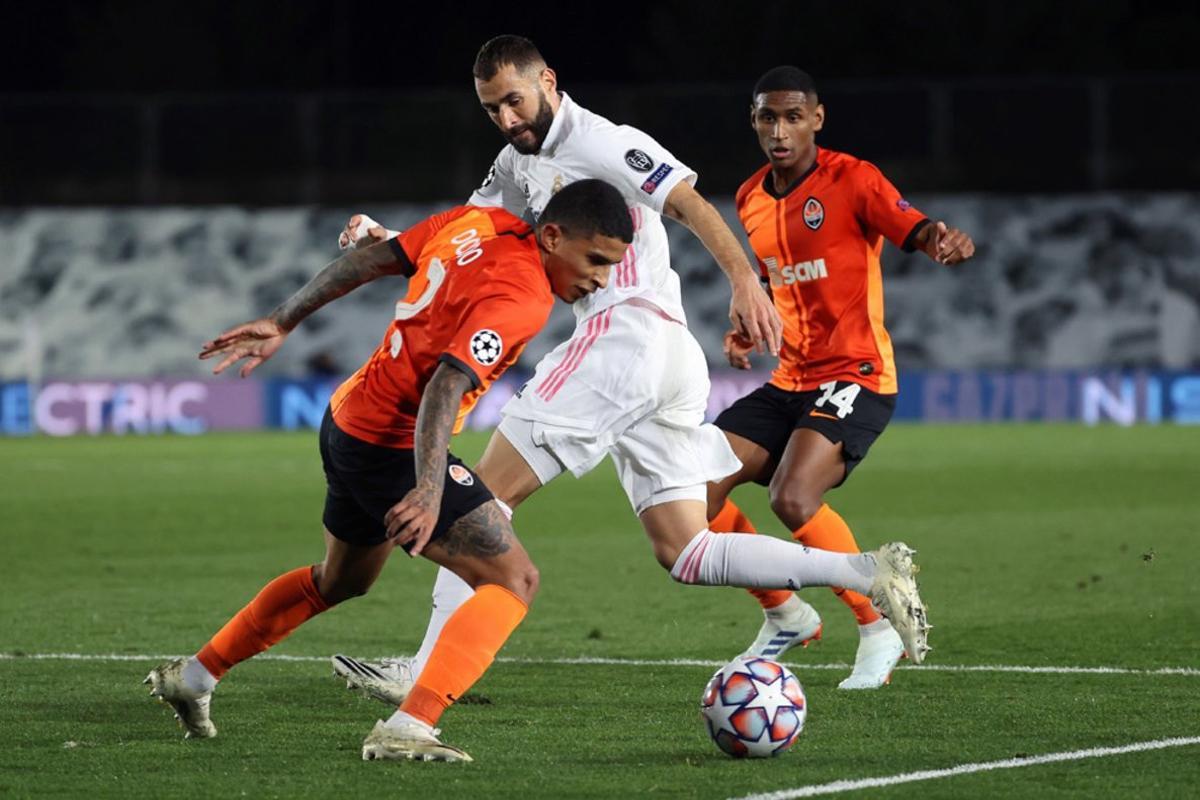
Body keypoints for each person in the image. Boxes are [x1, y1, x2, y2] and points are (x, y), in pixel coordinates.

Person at [331, 37, 929, 707]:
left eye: (515, 100)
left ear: (548, 81)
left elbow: (691, 202)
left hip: (624, 337)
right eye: (491, 107)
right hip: (661, 356)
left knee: (480, 502)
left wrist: (744, 283)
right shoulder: (514, 161)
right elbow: (469, 236)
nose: (506, 118)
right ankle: (864, 572)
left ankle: (423, 673)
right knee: (684, 548)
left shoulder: (604, 143)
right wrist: (391, 243)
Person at [143, 179, 633, 763]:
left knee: (342, 580)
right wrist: (428, 489)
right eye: (596, 260)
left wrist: (283, 319)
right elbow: (445, 384)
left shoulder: (475, 224)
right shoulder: (524, 295)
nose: (600, 278)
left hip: (348, 418)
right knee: (512, 580)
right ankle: (408, 727)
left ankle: (196, 675)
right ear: (553, 235)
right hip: (393, 446)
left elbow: (373, 258)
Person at [707, 66, 975, 689]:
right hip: (790, 378)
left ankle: (876, 625)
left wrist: (942, 241)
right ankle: (786, 614)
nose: (780, 130)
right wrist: (749, 330)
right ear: (753, 121)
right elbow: (775, 281)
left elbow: (917, 227)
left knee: (792, 497)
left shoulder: (853, 179)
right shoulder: (749, 198)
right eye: (768, 117)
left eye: (793, 116)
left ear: (816, 120)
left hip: (857, 373)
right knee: (693, 488)